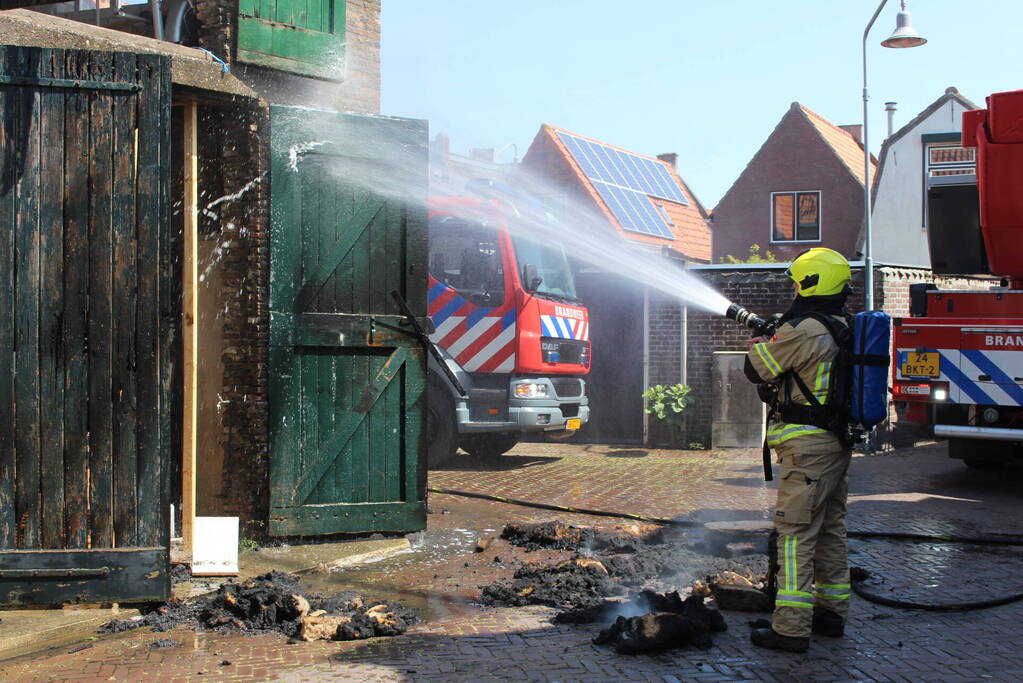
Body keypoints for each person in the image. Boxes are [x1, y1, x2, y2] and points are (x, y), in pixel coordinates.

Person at [743, 247, 854, 653]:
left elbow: (757, 369)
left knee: (794, 536)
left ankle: (790, 628)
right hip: (835, 444)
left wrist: (760, 344)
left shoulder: (806, 329)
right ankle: (831, 613)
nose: (793, 290)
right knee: (829, 530)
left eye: (796, 283)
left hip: (807, 449)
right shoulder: (843, 325)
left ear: (811, 284)